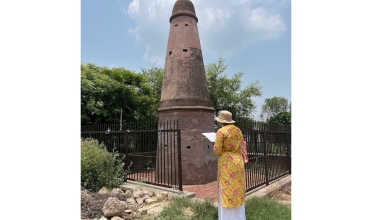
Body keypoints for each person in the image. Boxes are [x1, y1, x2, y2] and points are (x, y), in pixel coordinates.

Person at [213, 110, 246, 220]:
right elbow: (241, 145)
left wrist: (214, 143)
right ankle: (239, 216)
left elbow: (217, 150)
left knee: (226, 189)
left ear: (221, 121)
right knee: (237, 188)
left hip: (226, 162)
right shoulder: (238, 130)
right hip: (238, 161)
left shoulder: (221, 132)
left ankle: (227, 217)